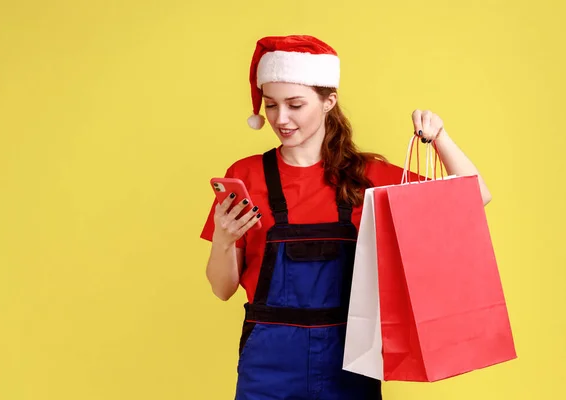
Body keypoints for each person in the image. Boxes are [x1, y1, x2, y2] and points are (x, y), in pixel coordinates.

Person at [200, 35, 492, 400]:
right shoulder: (246, 176)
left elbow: (475, 197)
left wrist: (441, 137)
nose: (281, 118)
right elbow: (222, 288)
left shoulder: (368, 177)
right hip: (268, 367)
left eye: (295, 104)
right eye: (271, 105)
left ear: (328, 102)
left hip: (349, 364)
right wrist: (224, 240)